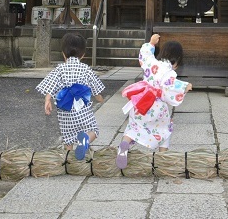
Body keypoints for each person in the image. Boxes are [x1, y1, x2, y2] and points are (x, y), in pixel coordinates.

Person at [115, 34, 192, 169]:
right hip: (156, 108)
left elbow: (144, 55)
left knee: (133, 127)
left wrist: (151, 44)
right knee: (165, 130)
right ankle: (163, 158)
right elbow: (170, 86)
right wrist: (185, 87)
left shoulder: (151, 63)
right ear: (178, 61)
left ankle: (125, 144)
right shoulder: (169, 72)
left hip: (140, 103)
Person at [35, 32, 105, 159]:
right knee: (93, 130)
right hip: (82, 112)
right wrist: (100, 100)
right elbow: (96, 91)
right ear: (83, 55)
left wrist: (47, 100)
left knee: (68, 138)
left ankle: (68, 160)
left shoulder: (59, 69)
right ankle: (84, 142)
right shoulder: (86, 69)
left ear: (63, 54)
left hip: (65, 113)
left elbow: (50, 85)